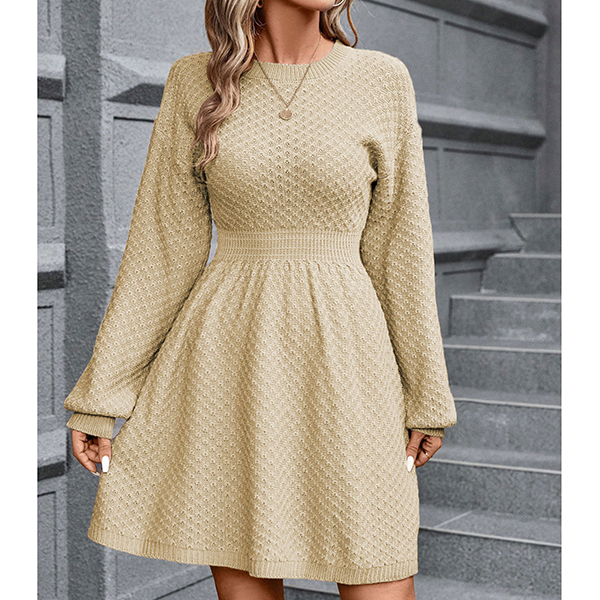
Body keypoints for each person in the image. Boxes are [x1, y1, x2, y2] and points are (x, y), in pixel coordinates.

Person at [64, 1, 457, 598]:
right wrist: (99, 399)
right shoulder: (194, 82)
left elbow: (400, 253)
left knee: (380, 561)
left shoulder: (381, 79)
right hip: (228, 361)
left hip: (349, 359)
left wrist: (427, 394)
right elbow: (161, 251)